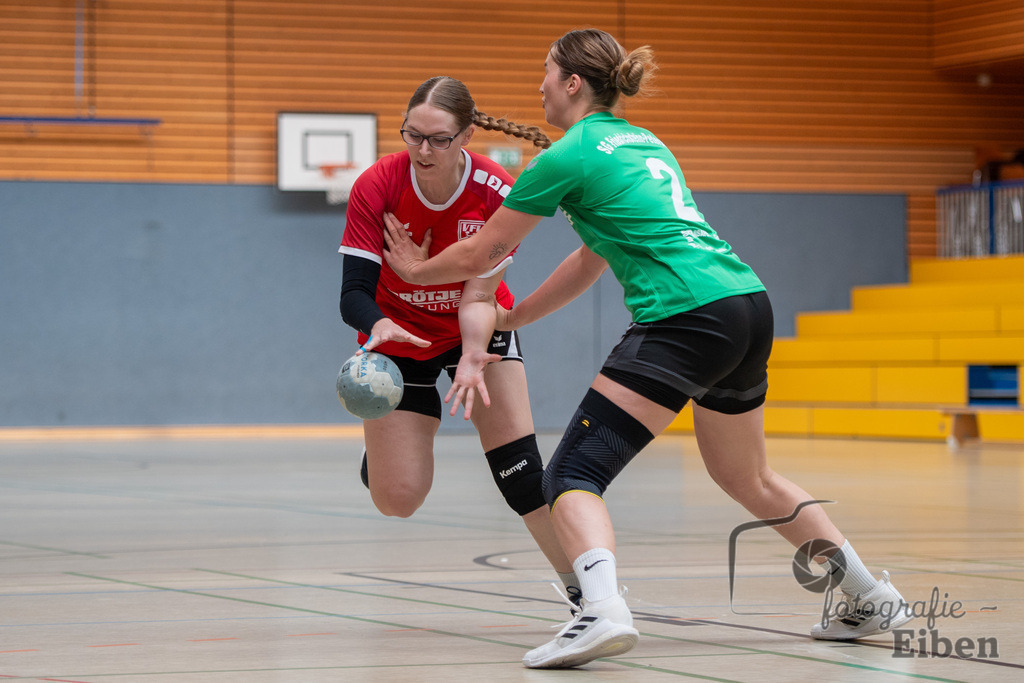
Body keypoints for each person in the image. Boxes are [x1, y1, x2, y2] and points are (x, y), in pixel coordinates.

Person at [381, 30, 913, 669]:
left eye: (546, 74)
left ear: (573, 83)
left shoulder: (566, 156)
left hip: (684, 317)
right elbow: (590, 258)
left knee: (573, 476)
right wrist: (517, 315)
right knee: (748, 476)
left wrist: (413, 269)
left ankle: (601, 613)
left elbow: (479, 253)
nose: (540, 86)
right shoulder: (643, 142)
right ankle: (868, 595)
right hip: (744, 304)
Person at [338, 76, 580, 605]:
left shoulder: (497, 188)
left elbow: (479, 290)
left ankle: (584, 593)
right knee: (397, 499)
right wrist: (378, 323)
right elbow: (353, 293)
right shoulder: (376, 185)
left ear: (466, 135)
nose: (423, 150)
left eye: (439, 139)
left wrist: (473, 353)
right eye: (412, 135)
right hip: (398, 337)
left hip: (479, 322)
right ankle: (380, 460)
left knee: (520, 474)